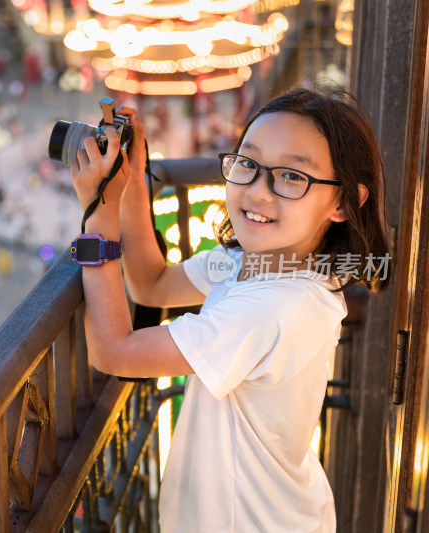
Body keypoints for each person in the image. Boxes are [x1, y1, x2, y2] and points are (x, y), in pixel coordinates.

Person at [68, 87, 391, 531]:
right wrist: (132, 179)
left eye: (292, 177)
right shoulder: (253, 260)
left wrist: (97, 217)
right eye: (248, 164)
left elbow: (114, 352)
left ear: (342, 202)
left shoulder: (278, 305)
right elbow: (152, 285)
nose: (258, 191)